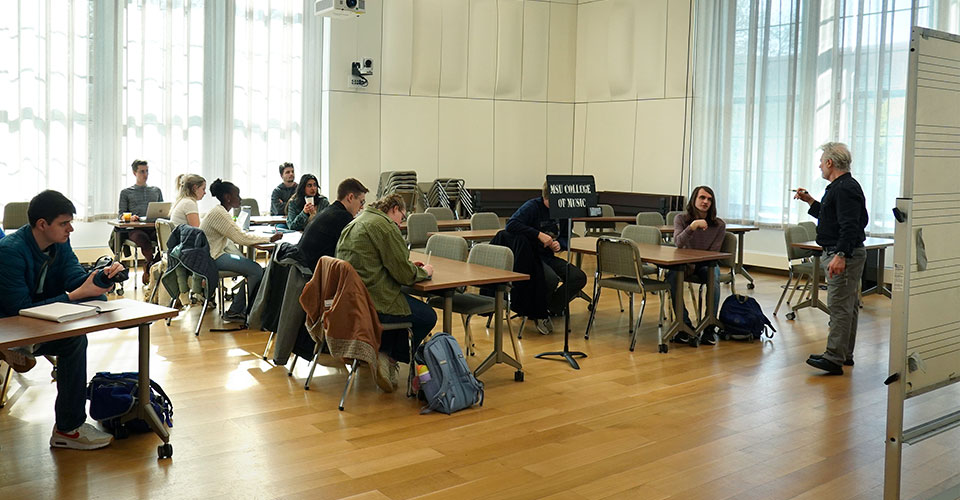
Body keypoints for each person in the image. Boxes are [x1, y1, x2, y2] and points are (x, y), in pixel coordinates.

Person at [0, 190, 124, 450]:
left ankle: (67, 429)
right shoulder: (10, 252)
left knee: (93, 309)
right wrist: (76, 295)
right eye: (64, 223)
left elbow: (75, 278)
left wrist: (101, 279)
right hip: (10, 326)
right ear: (42, 224)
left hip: (43, 316)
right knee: (74, 339)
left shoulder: (60, 244)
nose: (71, 229)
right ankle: (15, 348)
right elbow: (18, 311)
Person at [336, 193, 436, 393]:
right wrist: (424, 271)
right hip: (376, 302)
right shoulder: (385, 227)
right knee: (427, 316)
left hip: (353, 301)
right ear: (394, 209)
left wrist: (407, 266)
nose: (401, 222)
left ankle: (385, 352)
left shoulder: (358, 221)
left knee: (403, 304)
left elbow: (381, 261)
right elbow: (404, 275)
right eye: (402, 216)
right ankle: (392, 357)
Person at [794, 142, 868, 375]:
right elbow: (830, 219)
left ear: (830, 163)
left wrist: (841, 255)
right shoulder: (840, 187)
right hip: (840, 250)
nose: (819, 166)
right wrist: (809, 201)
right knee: (848, 306)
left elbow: (850, 225)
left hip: (842, 252)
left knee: (839, 307)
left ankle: (834, 357)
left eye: (821, 161)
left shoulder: (845, 188)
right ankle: (843, 354)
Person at [505, 181, 588, 335]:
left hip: (548, 257)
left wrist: (559, 244)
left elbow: (565, 236)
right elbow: (511, 225)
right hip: (531, 258)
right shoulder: (532, 207)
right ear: (545, 198)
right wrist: (538, 234)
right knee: (549, 279)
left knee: (578, 277)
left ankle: (550, 308)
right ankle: (539, 311)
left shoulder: (562, 211)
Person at [200, 179, 281, 322]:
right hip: (213, 257)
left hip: (212, 254)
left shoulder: (219, 211)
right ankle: (235, 311)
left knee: (255, 269)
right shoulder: (220, 214)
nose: (241, 199)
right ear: (228, 197)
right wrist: (269, 239)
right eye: (237, 195)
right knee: (256, 270)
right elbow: (242, 239)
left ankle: (239, 308)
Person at [666, 185, 726, 346]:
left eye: (709, 199)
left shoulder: (719, 225)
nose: (705, 202)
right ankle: (684, 325)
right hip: (683, 263)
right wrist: (692, 227)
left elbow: (713, 253)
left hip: (706, 263)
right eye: (702, 198)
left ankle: (709, 327)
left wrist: (696, 261)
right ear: (694, 199)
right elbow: (678, 242)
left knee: (714, 277)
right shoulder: (681, 219)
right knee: (671, 276)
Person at [298, 178, 368, 270]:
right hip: (312, 273)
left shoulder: (331, 211)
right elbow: (352, 252)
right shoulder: (343, 217)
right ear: (350, 197)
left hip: (303, 267)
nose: (362, 207)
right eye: (361, 202)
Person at [117, 159, 163, 284]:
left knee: (166, 240)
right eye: (142, 171)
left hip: (153, 227)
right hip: (136, 229)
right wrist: (129, 217)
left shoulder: (156, 191)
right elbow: (121, 214)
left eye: (147, 171)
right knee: (144, 240)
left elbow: (162, 210)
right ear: (134, 173)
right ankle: (151, 266)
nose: (145, 174)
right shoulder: (126, 192)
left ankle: (151, 265)